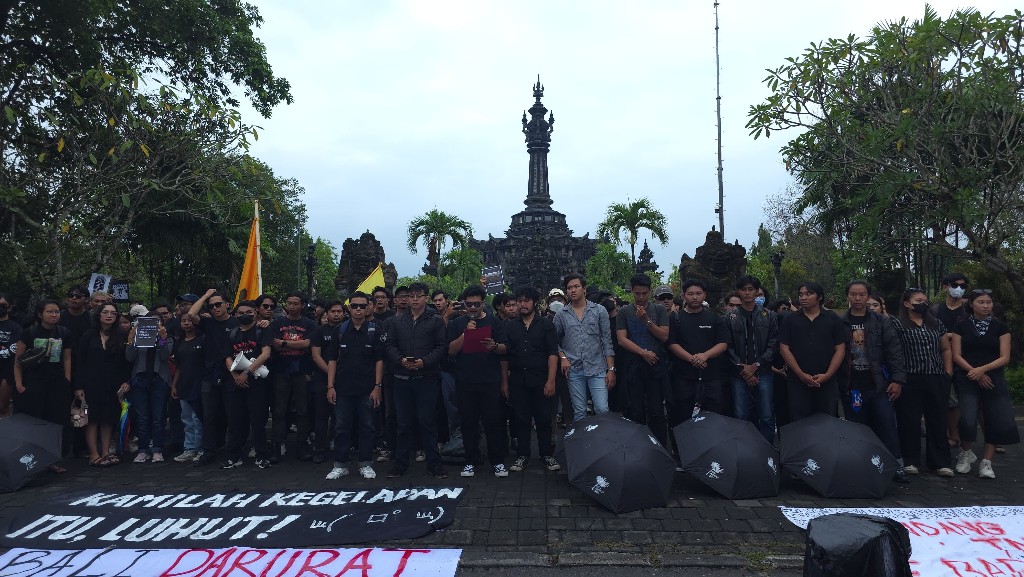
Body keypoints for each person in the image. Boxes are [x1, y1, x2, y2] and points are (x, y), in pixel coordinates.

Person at [839, 281, 908, 483]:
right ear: (848, 297)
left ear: (868, 296)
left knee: (887, 424)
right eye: (853, 294)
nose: (857, 299)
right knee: (857, 428)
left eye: (861, 295)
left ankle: (896, 465)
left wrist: (897, 380)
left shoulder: (881, 322)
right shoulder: (841, 322)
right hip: (853, 386)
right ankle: (860, 465)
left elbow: (894, 352)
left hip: (878, 384)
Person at [383, 282, 448, 479]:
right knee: (403, 423)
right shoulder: (396, 321)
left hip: (426, 378)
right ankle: (400, 464)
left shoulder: (435, 321)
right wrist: (401, 360)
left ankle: (434, 465)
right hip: (401, 378)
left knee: (427, 422)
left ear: (426, 298)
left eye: (419, 295)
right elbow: (389, 346)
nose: (414, 299)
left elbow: (441, 348)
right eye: (411, 295)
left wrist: (424, 362)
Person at [951, 289, 1018, 478]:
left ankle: (987, 462)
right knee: (967, 417)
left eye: (988, 302)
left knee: (994, 419)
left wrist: (983, 370)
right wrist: (975, 372)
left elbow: (1005, 357)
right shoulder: (961, 325)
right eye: (981, 302)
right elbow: (956, 354)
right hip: (967, 376)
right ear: (971, 304)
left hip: (993, 378)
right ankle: (965, 453)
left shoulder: (1000, 327)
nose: (985, 306)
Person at [447, 285, 509, 477]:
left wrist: (494, 346)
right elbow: (450, 351)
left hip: (490, 379)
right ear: (464, 304)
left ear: (483, 303)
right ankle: (470, 460)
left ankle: (497, 461)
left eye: (476, 304)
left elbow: (505, 349)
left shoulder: (494, 322)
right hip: (465, 379)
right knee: (468, 422)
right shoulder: (457, 323)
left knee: (493, 422)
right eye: (469, 304)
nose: (473, 308)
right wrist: (466, 334)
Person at [892, 288, 954, 477]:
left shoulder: (936, 323)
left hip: (936, 376)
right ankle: (910, 460)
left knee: (937, 420)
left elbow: (945, 349)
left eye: (925, 300)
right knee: (909, 420)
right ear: (907, 303)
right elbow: (894, 352)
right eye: (918, 300)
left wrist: (948, 372)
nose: (923, 303)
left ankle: (940, 462)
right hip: (910, 377)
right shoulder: (898, 324)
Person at [325, 292, 383, 480]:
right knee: (341, 427)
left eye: (362, 306)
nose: (358, 309)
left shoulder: (375, 331)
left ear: (368, 308)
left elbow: (379, 361)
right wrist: (330, 386)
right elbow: (332, 360)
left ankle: (365, 463)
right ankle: (340, 464)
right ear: (348, 308)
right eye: (355, 306)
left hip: (367, 388)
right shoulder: (339, 331)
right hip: (343, 388)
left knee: (367, 427)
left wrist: (377, 386)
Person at [505, 287, 560, 472]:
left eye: (526, 301)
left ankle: (546, 455)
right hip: (518, 379)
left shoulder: (546, 325)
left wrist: (551, 380)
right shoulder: (511, 326)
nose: (522, 304)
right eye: (519, 301)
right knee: (521, 418)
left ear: (535, 302)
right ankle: (523, 454)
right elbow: (505, 356)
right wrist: (504, 381)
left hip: (541, 378)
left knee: (543, 419)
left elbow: (553, 354)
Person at [14, 300, 73, 471]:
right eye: (50, 312)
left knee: (55, 422)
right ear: (40, 314)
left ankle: (52, 460)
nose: (54, 315)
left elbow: (67, 358)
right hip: (33, 384)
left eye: (57, 312)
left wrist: (67, 380)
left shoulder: (64, 332)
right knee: (35, 422)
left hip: (56, 383)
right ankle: (33, 460)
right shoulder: (29, 333)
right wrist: (19, 385)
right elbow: (18, 362)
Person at [778, 281, 846, 421]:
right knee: (799, 420)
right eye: (801, 294)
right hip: (797, 381)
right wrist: (801, 375)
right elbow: (784, 348)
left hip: (826, 381)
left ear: (819, 297)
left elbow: (840, 349)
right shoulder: (790, 319)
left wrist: (827, 375)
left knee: (827, 420)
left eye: (808, 294)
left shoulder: (832, 318)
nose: (803, 297)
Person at [615, 274, 670, 444]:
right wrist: (643, 353)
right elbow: (621, 339)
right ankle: (637, 445)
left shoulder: (659, 310)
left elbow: (664, 336)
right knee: (635, 409)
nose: (640, 297)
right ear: (631, 291)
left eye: (644, 293)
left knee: (656, 410)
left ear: (649, 291)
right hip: (634, 364)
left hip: (655, 365)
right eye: (637, 293)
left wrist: (646, 320)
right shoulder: (624, 311)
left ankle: (659, 445)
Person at [74, 304, 131, 468]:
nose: (109, 316)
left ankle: (106, 452)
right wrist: (78, 387)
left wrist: (126, 381)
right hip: (90, 383)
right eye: (105, 312)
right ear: (98, 315)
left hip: (112, 383)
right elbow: (80, 362)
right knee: (91, 419)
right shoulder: (88, 335)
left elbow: (124, 363)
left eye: (113, 313)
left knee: (108, 418)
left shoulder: (120, 336)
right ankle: (93, 453)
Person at [553, 274, 615, 422]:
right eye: (569, 288)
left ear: (584, 288)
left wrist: (611, 370)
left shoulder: (599, 311)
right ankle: (582, 444)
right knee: (580, 411)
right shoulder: (561, 315)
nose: (573, 290)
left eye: (576, 286)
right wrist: (562, 357)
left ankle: (603, 441)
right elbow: (553, 341)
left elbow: (607, 341)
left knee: (602, 409)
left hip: (597, 367)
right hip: (574, 368)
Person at [724, 275, 779, 441]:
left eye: (750, 289)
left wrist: (756, 365)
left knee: (767, 414)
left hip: (763, 371)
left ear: (757, 292)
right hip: (739, 373)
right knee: (740, 414)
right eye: (743, 289)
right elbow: (727, 346)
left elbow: (774, 345)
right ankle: (743, 449)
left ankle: (768, 451)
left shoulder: (769, 316)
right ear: (738, 292)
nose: (747, 293)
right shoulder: (730, 317)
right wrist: (743, 368)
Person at [187, 290, 239, 465]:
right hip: (210, 373)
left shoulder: (236, 322)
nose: (215, 308)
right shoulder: (208, 323)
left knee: (232, 414)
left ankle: (232, 450)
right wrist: (204, 296)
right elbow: (191, 314)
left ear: (227, 304)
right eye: (211, 306)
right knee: (209, 415)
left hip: (232, 372)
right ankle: (208, 450)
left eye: (218, 304)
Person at [667, 279, 729, 423]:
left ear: (704, 295)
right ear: (683, 296)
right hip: (683, 377)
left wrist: (705, 356)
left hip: (711, 376)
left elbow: (723, 343)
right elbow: (671, 343)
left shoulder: (715, 318)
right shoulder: (675, 318)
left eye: (698, 293)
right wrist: (692, 359)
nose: (694, 297)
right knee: (682, 416)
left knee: (713, 417)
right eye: (690, 294)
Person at [221, 300, 272, 469]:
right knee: (234, 420)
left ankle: (261, 455)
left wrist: (246, 373)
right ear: (235, 315)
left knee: (258, 420)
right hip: (235, 382)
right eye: (241, 313)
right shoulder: (232, 333)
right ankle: (234, 456)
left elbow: (265, 354)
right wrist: (235, 375)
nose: (245, 315)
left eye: (248, 312)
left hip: (256, 382)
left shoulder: (262, 330)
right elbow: (227, 356)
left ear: (255, 313)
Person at [268, 291, 317, 462]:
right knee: (279, 410)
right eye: (289, 303)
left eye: (296, 303)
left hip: (302, 371)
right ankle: (276, 446)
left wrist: (284, 343)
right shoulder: (277, 323)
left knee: (303, 410)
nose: (292, 306)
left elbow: (307, 344)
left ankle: (301, 445)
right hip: (281, 370)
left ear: (302, 305)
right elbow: (274, 345)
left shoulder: (310, 324)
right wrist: (291, 345)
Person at [125, 311, 174, 463]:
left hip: (159, 378)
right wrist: (131, 339)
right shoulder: (139, 338)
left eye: (157, 321)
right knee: (142, 416)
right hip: (140, 379)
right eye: (149, 321)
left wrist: (163, 338)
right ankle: (143, 449)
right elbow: (129, 357)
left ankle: (157, 448)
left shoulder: (167, 338)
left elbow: (165, 356)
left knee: (158, 417)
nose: (153, 324)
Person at [310, 300, 345, 464]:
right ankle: (319, 449)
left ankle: (339, 446)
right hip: (322, 378)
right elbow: (316, 356)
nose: (336, 314)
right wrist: (331, 373)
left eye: (339, 311)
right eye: (333, 311)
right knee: (321, 416)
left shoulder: (347, 329)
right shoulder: (318, 331)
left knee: (341, 417)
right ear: (327, 313)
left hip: (345, 379)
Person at [170, 313, 205, 463]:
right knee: (186, 419)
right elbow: (178, 366)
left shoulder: (203, 339)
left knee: (198, 420)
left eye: (189, 320)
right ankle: (189, 448)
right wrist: (174, 384)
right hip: (184, 384)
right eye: (183, 321)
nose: (186, 323)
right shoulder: (179, 342)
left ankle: (202, 448)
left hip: (200, 384)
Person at [0, 293, 22, 417]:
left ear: (9, 307)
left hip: (6, 371)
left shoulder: (16, 328)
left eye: (3, 305)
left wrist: (4, 349)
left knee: (2, 407)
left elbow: (11, 351)